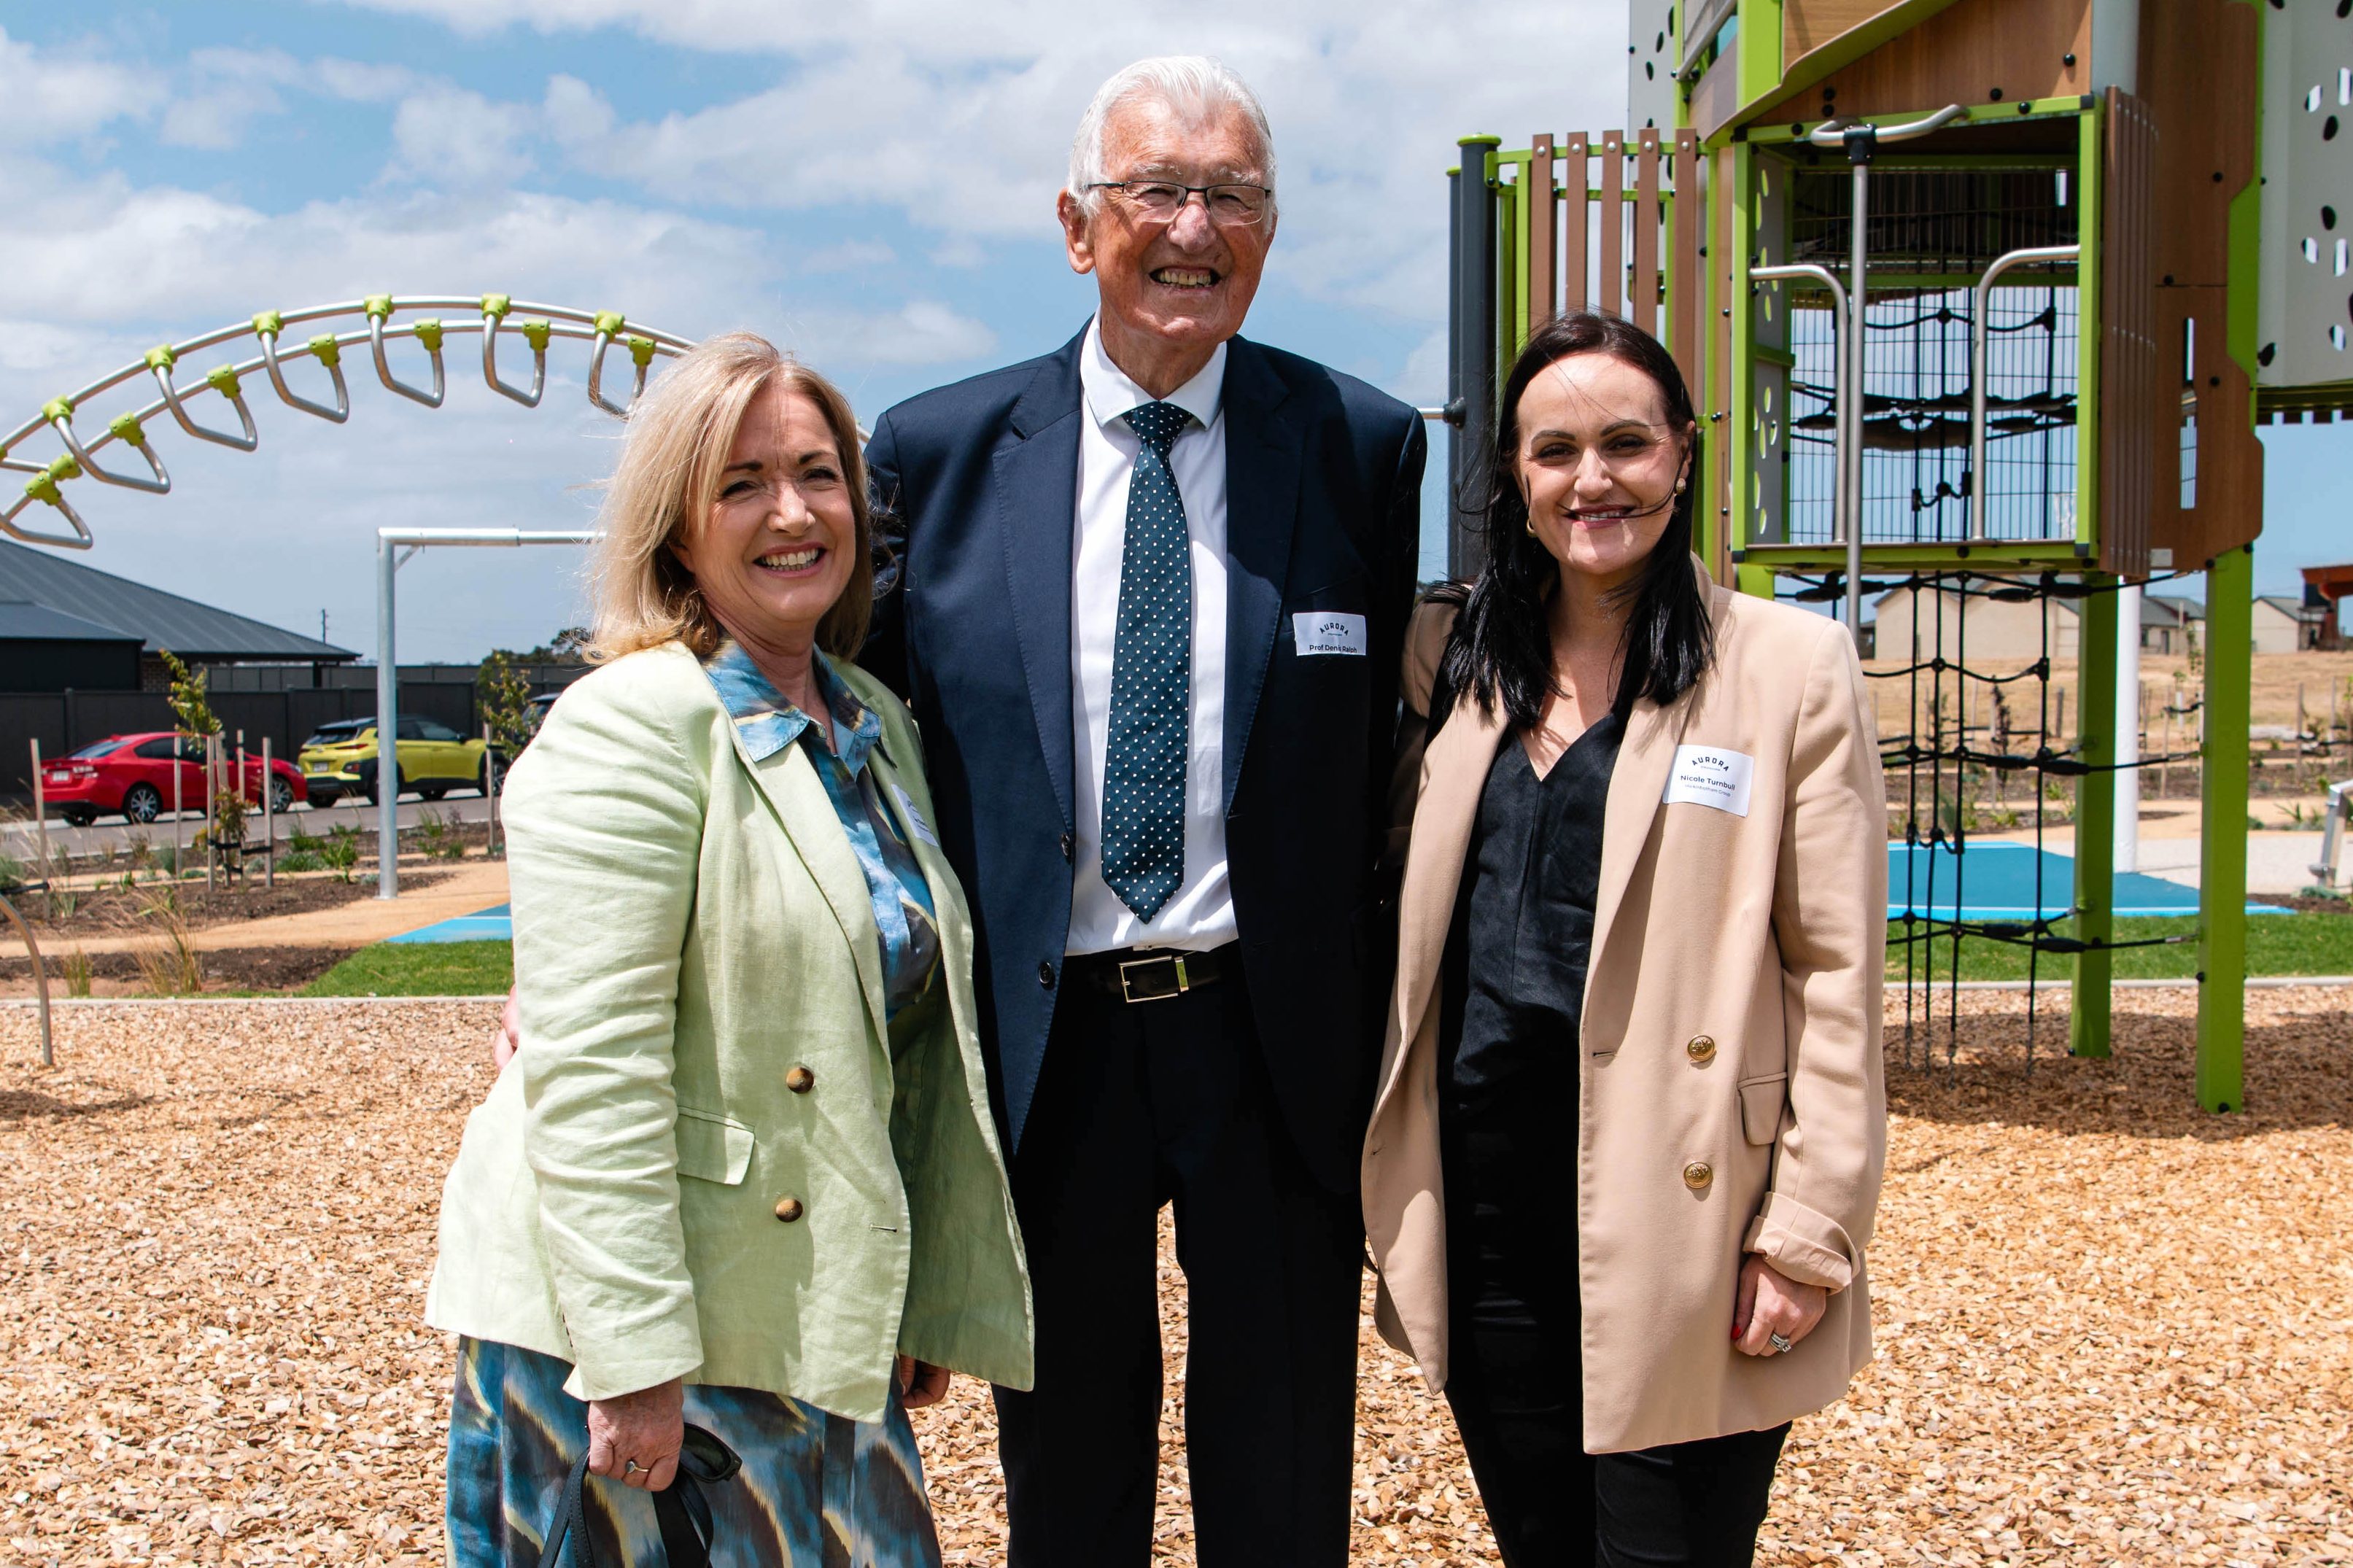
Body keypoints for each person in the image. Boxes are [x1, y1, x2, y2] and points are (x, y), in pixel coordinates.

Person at [860, 56, 1425, 1567]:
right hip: (1051, 1042)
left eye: (1229, 193)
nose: (1192, 226)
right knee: (1069, 1464)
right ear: (1073, 224)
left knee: (1286, 1455)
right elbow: (848, 741)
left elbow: (1376, 745)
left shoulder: (1359, 447)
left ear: (1269, 224)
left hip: (1271, 1029)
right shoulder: (935, 455)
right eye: (1154, 191)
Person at [430, 333, 1031, 1567]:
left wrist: (906, 1286)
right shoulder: (631, 724)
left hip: (805, 1305)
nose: (793, 512)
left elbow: (898, 1038)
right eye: (742, 482)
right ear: (676, 528)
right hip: (640, 1334)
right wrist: (633, 1358)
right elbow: (590, 1072)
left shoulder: (874, 726)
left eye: (818, 473)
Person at [1362, 310, 1887, 1566]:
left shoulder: (1785, 668)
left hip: (1685, 1218)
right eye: (1554, 451)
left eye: (1624, 444)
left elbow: (1835, 974)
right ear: (1516, 479)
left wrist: (1809, 1230)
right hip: (1486, 1208)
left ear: (1684, 456)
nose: (1591, 479)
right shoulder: (1459, 665)